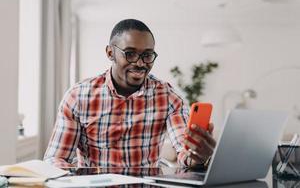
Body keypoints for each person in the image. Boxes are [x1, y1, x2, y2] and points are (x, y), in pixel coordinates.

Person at [44, 19, 216, 168]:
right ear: (110, 53)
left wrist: (198, 157)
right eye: (130, 54)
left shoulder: (168, 97)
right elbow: (55, 159)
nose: (140, 63)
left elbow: (184, 152)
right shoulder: (78, 96)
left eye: (147, 55)